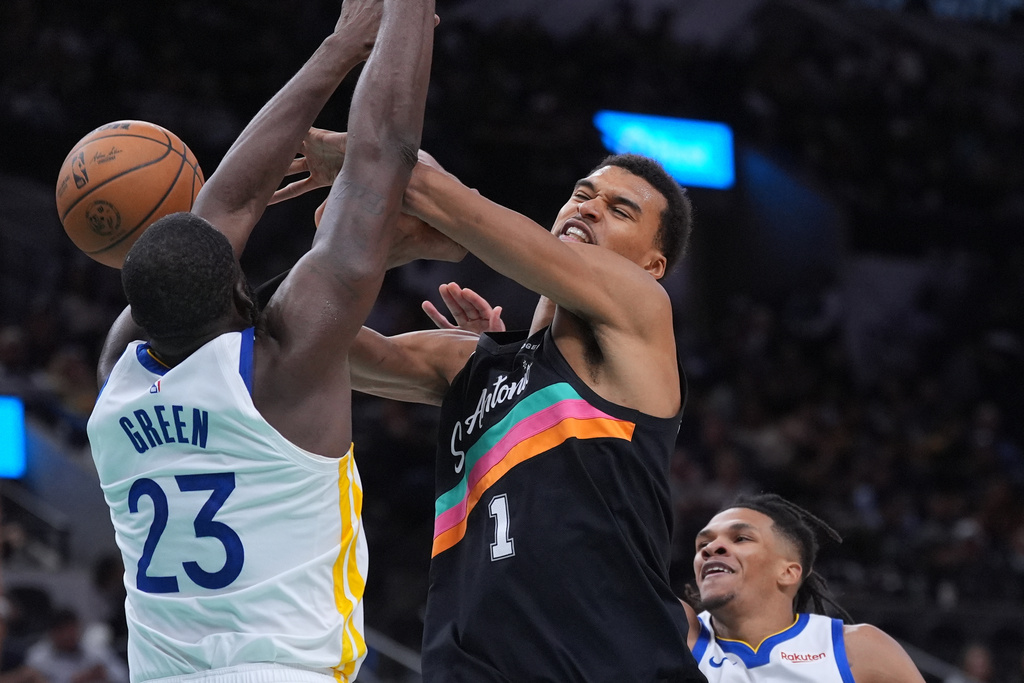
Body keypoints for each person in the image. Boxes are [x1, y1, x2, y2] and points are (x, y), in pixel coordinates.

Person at [85, 0, 439, 681]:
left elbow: (229, 210)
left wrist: (355, 40)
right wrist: (376, 25)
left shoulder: (114, 380)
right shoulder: (280, 371)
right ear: (244, 293)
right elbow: (378, 154)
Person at [274, 135, 706, 680]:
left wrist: (366, 154)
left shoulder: (643, 309)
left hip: (608, 663)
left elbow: (450, 203)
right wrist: (368, 255)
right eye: (583, 193)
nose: (589, 207)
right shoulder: (472, 364)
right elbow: (293, 338)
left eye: (620, 210)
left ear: (653, 265)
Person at [682, 493, 925, 682]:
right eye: (704, 542)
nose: (711, 548)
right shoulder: (677, 635)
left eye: (741, 538)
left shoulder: (859, 649)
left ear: (788, 572)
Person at [24, 608, 127, 683]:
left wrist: (105, 674)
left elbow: (124, 677)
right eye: (62, 631)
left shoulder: (95, 650)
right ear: (52, 633)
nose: (68, 636)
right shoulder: (38, 657)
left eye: (71, 630)